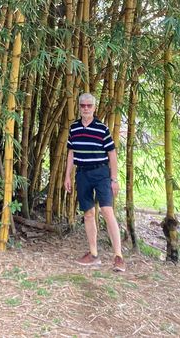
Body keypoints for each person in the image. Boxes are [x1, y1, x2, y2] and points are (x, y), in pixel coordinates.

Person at [64, 92, 125, 271]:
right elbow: (71, 153)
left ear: (94, 108)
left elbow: (112, 154)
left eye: (89, 105)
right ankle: (93, 254)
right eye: (82, 105)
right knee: (88, 214)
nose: (86, 108)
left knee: (107, 211)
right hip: (82, 174)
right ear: (79, 107)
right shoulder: (74, 128)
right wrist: (67, 175)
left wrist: (114, 179)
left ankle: (118, 256)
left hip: (101, 173)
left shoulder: (102, 129)